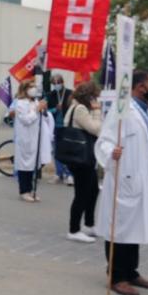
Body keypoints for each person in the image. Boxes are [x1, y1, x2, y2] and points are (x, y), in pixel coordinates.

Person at [94, 70, 148, 295]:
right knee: (120, 226)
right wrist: (110, 153)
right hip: (127, 177)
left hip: (147, 177)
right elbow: (105, 140)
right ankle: (116, 276)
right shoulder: (122, 110)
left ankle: (131, 272)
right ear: (140, 87)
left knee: (136, 226)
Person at [65, 81, 104, 241]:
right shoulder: (80, 109)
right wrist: (96, 112)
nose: (97, 100)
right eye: (95, 97)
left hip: (83, 156)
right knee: (81, 193)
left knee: (93, 189)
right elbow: (96, 129)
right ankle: (74, 230)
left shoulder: (77, 107)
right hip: (80, 158)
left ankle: (89, 224)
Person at [13, 80, 49, 202]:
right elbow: (26, 120)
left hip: (35, 138)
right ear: (25, 89)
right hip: (25, 138)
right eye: (31, 87)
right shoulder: (20, 103)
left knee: (32, 166)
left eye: (35, 87)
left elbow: (42, 117)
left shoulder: (35, 102)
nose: (34, 89)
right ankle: (24, 191)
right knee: (24, 166)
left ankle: (31, 190)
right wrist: (37, 110)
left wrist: (43, 109)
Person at [48, 74, 74, 185]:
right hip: (55, 127)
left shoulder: (70, 93)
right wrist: (55, 109)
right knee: (56, 151)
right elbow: (47, 110)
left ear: (62, 82)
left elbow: (74, 108)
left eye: (58, 82)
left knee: (68, 150)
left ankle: (69, 174)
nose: (56, 85)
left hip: (67, 126)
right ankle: (58, 173)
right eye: (54, 83)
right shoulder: (50, 95)